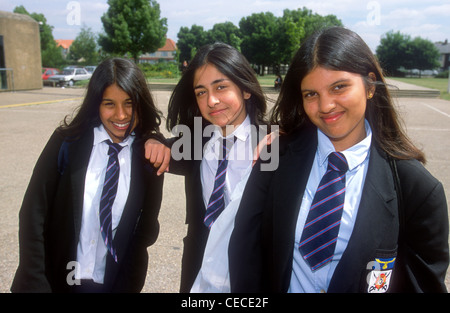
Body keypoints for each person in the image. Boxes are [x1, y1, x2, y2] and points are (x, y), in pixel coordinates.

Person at [232, 27, 449, 293]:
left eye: (339, 87)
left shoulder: (418, 190)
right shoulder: (275, 156)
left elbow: (422, 286)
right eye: (311, 94)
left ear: (369, 85)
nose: (325, 106)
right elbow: (245, 251)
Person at [11, 58, 164, 293]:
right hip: (55, 282)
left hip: (112, 285)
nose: (121, 115)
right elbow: (33, 215)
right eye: (109, 104)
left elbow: (146, 229)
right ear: (96, 104)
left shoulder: (148, 156)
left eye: (129, 103)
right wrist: (35, 282)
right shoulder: (67, 143)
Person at [145, 42, 273, 292]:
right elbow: (159, 144)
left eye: (221, 87)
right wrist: (151, 139)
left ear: (246, 89)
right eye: (201, 92)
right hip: (201, 276)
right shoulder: (195, 142)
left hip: (253, 280)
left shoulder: (273, 145)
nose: (211, 101)